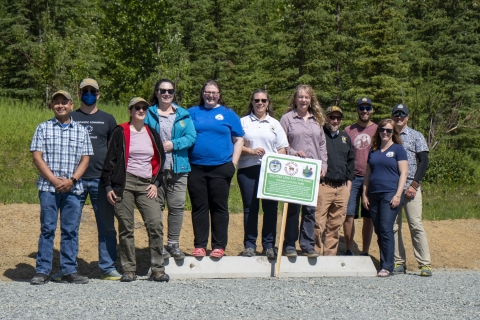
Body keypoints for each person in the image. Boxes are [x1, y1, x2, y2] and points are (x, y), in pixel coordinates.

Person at [51, 78, 120, 282]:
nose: (89, 93)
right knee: (69, 226)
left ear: (98, 94)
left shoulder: (108, 119)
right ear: (79, 95)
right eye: (85, 90)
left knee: (106, 226)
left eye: (93, 90)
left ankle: (107, 267)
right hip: (74, 181)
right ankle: (67, 268)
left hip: (101, 180)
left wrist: (112, 180)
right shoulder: (69, 116)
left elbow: (115, 152)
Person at [30, 90, 93, 285]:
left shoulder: (81, 130)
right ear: (51, 106)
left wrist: (72, 180)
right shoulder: (43, 128)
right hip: (49, 189)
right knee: (48, 228)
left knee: (70, 230)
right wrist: (54, 180)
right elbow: (37, 157)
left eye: (64, 102)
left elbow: (86, 158)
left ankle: (69, 270)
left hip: (73, 189)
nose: (60, 105)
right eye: (56, 102)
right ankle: (42, 271)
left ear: (71, 105)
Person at [102, 97, 168, 282]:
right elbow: (110, 160)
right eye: (137, 108)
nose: (141, 110)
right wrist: (108, 186)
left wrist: (156, 184)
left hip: (147, 182)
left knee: (155, 224)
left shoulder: (152, 133)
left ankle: (158, 269)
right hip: (125, 183)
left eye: (144, 108)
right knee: (126, 227)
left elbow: (161, 162)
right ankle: (129, 269)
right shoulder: (120, 131)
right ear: (130, 111)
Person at [187, 80, 244, 259]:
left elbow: (239, 139)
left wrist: (233, 163)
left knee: (219, 207)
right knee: (199, 206)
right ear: (202, 93)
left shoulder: (228, 113)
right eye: (207, 92)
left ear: (219, 94)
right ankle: (200, 245)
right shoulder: (192, 112)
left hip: (221, 167)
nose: (210, 95)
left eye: (214, 92)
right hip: (196, 167)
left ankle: (219, 245)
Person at [145, 79, 196, 260]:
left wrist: (173, 144)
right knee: (155, 208)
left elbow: (191, 137)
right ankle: (158, 246)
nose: (167, 94)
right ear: (157, 93)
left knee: (177, 207)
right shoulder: (148, 113)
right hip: (154, 169)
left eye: (170, 91)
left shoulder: (183, 114)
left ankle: (173, 244)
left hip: (179, 168)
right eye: (163, 90)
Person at [237, 89, 288, 259]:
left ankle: (269, 245)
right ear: (251, 102)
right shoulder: (243, 122)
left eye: (263, 100)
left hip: (270, 172)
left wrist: (277, 164)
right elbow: (235, 146)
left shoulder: (275, 123)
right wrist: (250, 151)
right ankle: (250, 245)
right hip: (248, 169)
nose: (260, 103)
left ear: (268, 103)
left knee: (270, 208)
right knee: (250, 208)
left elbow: (282, 148)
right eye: (256, 100)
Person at [280, 84, 327, 258]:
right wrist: (293, 152)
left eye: (306, 97)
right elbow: (281, 143)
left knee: (310, 210)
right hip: (294, 169)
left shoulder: (317, 120)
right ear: (295, 99)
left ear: (311, 100)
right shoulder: (287, 119)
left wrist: (324, 165)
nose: (303, 100)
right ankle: (289, 244)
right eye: (300, 96)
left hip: (312, 171)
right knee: (293, 209)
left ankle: (307, 245)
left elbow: (322, 145)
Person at [362, 119, 408, 277]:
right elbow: (367, 174)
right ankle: (384, 262)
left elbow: (404, 173)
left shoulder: (398, 150)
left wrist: (398, 194)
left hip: (390, 194)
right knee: (378, 230)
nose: (385, 133)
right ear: (378, 131)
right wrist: (364, 194)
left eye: (389, 130)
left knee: (386, 228)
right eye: (382, 130)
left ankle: (387, 266)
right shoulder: (373, 150)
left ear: (393, 132)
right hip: (373, 194)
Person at [391, 104, 433, 276]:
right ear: (392, 117)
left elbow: (424, 161)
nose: (399, 117)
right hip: (392, 188)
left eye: (402, 115)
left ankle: (425, 264)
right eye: (396, 115)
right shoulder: (387, 134)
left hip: (411, 188)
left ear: (407, 117)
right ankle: (398, 262)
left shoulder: (416, 136)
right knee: (393, 227)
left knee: (415, 225)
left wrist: (414, 184)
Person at [314, 106, 354, 256]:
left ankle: (330, 256)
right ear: (326, 118)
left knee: (335, 225)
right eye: (332, 117)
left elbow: (351, 161)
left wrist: (349, 184)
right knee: (318, 223)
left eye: (338, 118)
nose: (335, 120)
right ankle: (315, 254)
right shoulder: (319, 135)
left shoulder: (345, 138)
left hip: (342, 188)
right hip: (324, 185)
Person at [343, 97, 377, 256]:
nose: (364, 111)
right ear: (357, 110)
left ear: (372, 110)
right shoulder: (348, 130)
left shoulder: (379, 129)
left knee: (368, 216)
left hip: (371, 178)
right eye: (361, 108)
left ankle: (365, 251)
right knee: (349, 214)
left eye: (367, 108)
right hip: (352, 177)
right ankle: (349, 249)